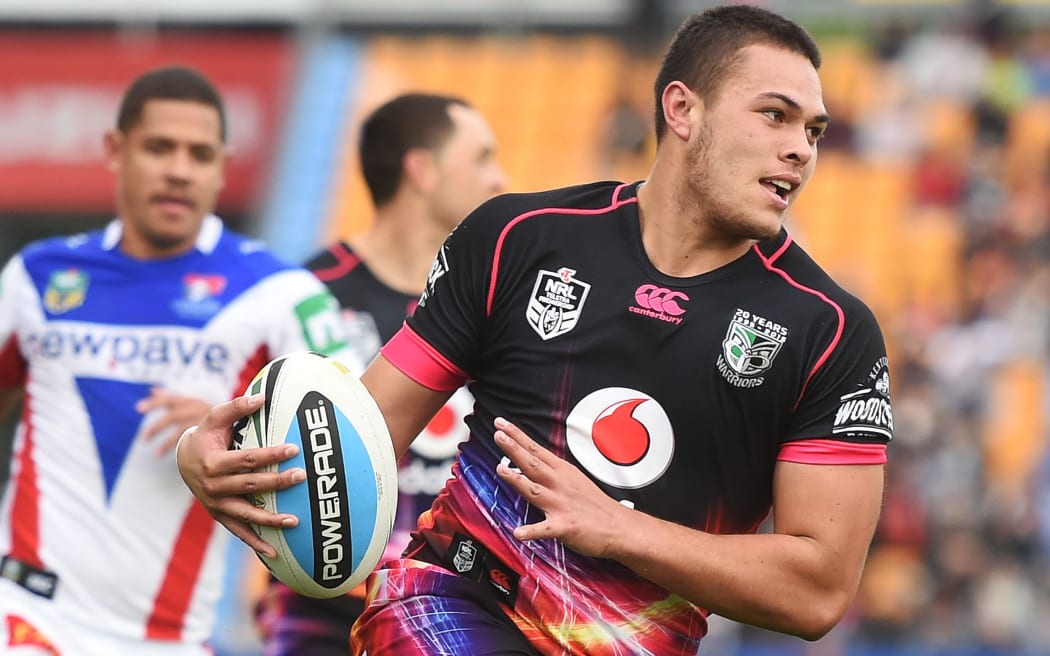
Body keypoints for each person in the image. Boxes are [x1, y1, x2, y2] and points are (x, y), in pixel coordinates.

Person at [177, 6, 893, 655]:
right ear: (683, 109)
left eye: (814, 130)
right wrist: (208, 459)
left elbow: (818, 590)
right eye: (775, 115)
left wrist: (620, 530)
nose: (802, 148)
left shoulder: (830, 330)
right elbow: (363, 434)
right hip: (445, 607)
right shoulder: (518, 239)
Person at [0, 66, 354, 655]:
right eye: (160, 147)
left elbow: (360, 434)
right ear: (116, 150)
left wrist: (240, 431)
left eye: (200, 153)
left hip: (174, 639)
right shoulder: (36, 277)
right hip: (28, 616)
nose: (179, 170)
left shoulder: (281, 292)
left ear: (223, 165)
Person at [253, 92, 507, 654]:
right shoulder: (305, 294)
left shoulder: (498, 303)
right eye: (483, 158)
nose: (500, 177)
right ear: (422, 170)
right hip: (320, 613)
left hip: (449, 612)